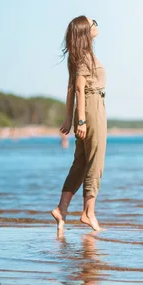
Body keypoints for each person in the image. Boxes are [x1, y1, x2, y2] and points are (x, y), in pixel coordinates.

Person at [51, 16, 107, 236]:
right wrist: (81, 120)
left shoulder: (79, 56)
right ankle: (88, 212)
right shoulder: (84, 57)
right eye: (93, 22)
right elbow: (80, 90)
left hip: (87, 109)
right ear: (85, 31)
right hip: (92, 108)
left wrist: (69, 118)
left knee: (81, 161)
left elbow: (70, 90)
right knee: (96, 160)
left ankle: (61, 209)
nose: (96, 24)